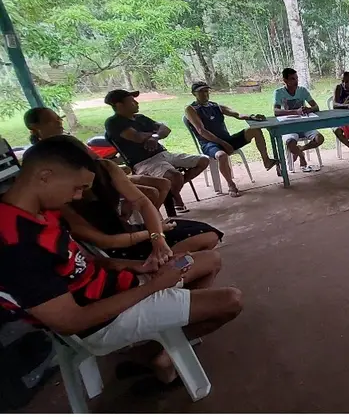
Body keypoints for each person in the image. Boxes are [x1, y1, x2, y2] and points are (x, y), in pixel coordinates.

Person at [0, 136, 242, 384]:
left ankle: (166, 343)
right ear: (45, 176)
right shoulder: (15, 243)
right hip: (104, 320)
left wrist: (138, 266)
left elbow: (81, 261)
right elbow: (71, 321)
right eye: (77, 188)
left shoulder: (39, 213)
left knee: (209, 259)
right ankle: (159, 355)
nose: (77, 197)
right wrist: (154, 286)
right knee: (231, 301)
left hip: (119, 286)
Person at [55, 138, 223, 261]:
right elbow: (105, 241)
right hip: (117, 249)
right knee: (207, 258)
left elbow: (142, 202)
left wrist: (158, 237)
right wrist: (153, 234)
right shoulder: (59, 200)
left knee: (209, 234)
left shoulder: (104, 168)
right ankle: (164, 271)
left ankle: (167, 269)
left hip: (129, 231)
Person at [24, 107, 171, 210]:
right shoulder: (39, 155)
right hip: (95, 188)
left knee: (162, 184)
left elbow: (97, 161)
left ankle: (151, 221)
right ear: (34, 128)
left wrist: (116, 167)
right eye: (51, 121)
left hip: (104, 178)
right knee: (151, 192)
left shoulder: (69, 141)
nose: (59, 122)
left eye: (59, 119)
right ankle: (141, 224)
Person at [104, 89, 209, 213]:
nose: (136, 103)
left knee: (203, 160)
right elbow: (137, 137)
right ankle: (175, 196)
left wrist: (155, 137)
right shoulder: (113, 122)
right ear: (119, 105)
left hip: (164, 154)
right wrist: (154, 133)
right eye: (131, 101)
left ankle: (171, 192)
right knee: (175, 176)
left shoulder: (140, 118)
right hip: (144, 162)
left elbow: (166, 129)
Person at [185, 82, 279, 197]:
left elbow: (237, 114)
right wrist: (222, 143)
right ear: (194, 93)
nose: (204, 94)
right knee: (222, 156)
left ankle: (266, 161)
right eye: (200, 92)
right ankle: (231, 185)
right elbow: (201, 131)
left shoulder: (215, 106)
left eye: (206, 91)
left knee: (255, 130)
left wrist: (251, 116)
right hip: (210, 144)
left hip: (226, 140)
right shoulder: (191, 109)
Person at [274, 68, 325, 172]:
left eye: (296, 78)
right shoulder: (279, 92)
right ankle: (301, 156)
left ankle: (301, 149)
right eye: (292, 79)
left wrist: (309, 109)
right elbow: (276, 111)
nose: (296, 81)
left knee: (320, 139)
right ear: (285, 80)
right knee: (290, 143)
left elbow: (316, 107)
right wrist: (295, 112)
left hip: (305, 125)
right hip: (290, 126)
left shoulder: (302, 90)